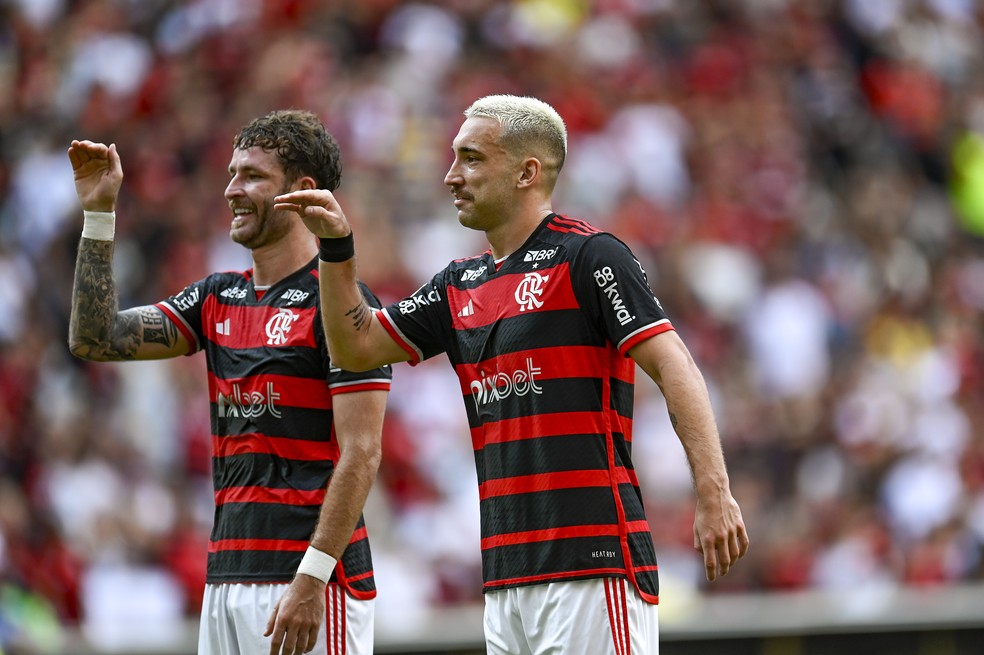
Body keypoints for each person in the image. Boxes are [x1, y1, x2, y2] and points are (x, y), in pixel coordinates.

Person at [277, 94, 749, 654]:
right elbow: (355, 347)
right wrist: (336, 250)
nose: (451, 175)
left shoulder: (590, 256)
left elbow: (676, 367)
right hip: (505, 577)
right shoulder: (457, 284)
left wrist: (714, 490)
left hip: (592, 567)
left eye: (472, 158)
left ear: (527, 172)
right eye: (454, 158)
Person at [66, 109, 391, 655]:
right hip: (227, 575)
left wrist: (312, 579)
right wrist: (99, 214)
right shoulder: (217, 296)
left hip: (312, 582)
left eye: (252, 176)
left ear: (302, 192)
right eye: (232, 173)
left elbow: (363, 451)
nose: (231, 190)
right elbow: (95, 338)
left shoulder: (340, 305)